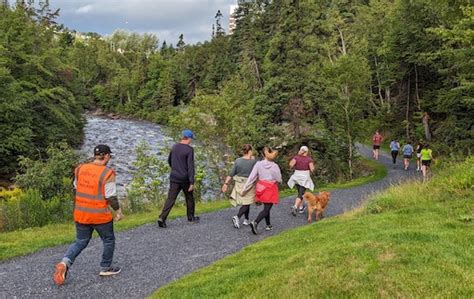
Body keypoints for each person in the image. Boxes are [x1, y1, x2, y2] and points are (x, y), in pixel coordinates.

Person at [53, 144, 123, 286]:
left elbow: (76, 188)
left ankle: (64, 263)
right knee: (108, 240)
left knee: (80, 241)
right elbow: (111, 196)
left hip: (81, 213)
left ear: (95, 155)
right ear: (107, 156)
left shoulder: (80, 169)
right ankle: (105, 267)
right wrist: (118, 211)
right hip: (99, 215)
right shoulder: (107, 173)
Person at [157, 129, 199, 228]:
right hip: (185, 179)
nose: (191, 141)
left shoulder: (174, 147)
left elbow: (169, 160)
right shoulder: (189, 150)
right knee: (189, 197)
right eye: (191, 139)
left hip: (174, 177)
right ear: (188, 138)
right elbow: (190, 166)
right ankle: (190, 217)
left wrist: (175, 169)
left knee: (171, 198)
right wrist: (192, 182)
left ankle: (162, 218)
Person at [241, 147, 282, 234]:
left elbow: (252, 177)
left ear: (262, 155)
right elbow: (278, 179)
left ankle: (268, 225)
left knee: (266, 207)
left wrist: (244, 189)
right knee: (267, 208)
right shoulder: (274, 166)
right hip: (270, 188)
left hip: (261, 187)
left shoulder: (258, 164)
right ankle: (255, 222)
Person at [221, 144, 257, 228]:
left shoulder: (238, 161)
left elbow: (231, 173)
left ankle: (246, 219)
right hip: (249, 185)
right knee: (247, 202)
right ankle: (237, 217)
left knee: (245, 202)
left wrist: (225, 184)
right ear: (250, 151)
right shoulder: (254, 162)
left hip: (239, 184)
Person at [287, 145, 315, 216]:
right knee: (301, 193)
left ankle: (301, 207)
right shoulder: (309, 159)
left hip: (296, 176)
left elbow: (290, 165)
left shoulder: (296, 157)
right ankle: (295, 206)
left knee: (300, 192)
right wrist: (312, 170)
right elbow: (312, 169)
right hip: (304, 177)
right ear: (307, 152)